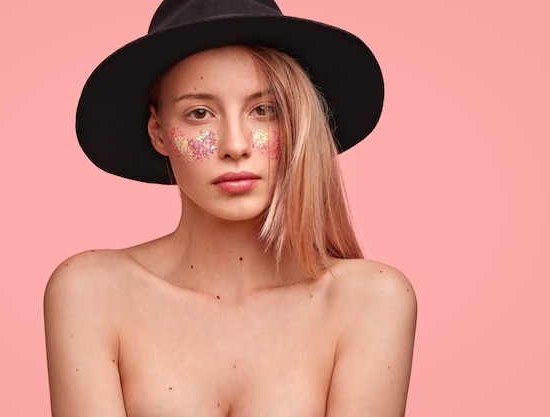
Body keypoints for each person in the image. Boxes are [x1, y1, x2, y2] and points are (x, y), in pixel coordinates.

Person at [44, 0, 417, 416]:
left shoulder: (370, 298)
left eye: (264, 110)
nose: (235, 145)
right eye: (199, 113)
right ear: (159, 133)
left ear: (297, 122)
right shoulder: (90, 292)